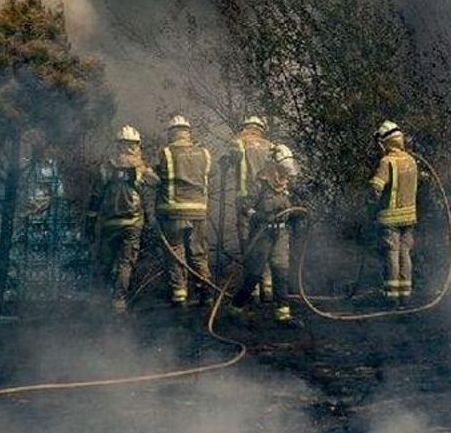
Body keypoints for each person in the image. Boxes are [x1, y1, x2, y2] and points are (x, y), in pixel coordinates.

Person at [227, 115, 300, 321]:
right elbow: (244, 207)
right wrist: (256, 216)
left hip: (281, 233)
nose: (286, 176)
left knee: (281, 271)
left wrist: (295, 218)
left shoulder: (285, 185)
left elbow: (289, 208)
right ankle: (236, 308)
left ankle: (283, 314)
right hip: (262, 233)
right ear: (274, 168)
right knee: (254, 274)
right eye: (283, 172)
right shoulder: (260, 183)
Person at [86, 125, 159, 312]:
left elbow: (95, 197)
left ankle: (97, 301)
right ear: (137, 145)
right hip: (133, 224)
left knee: (105, 261)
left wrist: (90, 223)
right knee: (126, 263)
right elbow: (157, 183)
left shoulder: (107, 167)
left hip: (109, 223)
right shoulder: (141, 168)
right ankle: (119, 302)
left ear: (118, 144)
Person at [155, 114, 214, 306]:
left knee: (176, 252)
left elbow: (158, 178)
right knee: (199, 253)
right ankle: (206, 292)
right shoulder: (204, 153)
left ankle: (179, 295)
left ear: (172, 133)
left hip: (173, 212)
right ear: (188, 133)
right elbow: (208, 176)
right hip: (198, 211)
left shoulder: (166, 153)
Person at [369, 120, 419, 305]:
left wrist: (370, 206)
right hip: (409, 218)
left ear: (386, 142)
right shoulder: (411, 161)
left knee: (392, 254)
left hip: (390, 219)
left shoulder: (386, 162)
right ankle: (405, 297)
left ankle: (392, 298)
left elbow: (375, 188)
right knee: (405, 254)